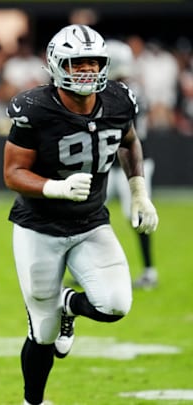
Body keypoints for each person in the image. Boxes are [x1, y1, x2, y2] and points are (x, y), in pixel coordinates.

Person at [3, 24, 159, 405]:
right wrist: (52, 187)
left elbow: (129, 141)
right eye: (77, 63)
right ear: (58, 66)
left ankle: (69, 304)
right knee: (42, 332)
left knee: (116, 305)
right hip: (39, 228)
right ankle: (33, 401)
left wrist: (138, 191)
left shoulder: (120, 99)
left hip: (90, 223)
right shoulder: (35, 109)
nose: (87, 70)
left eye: (93, 62)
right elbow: (12, 173)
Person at [104, 39, 158, 289]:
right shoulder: (119, 87)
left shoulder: (127, 91)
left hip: (134, 164)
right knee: (87, 214)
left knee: (137, 215)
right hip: (110, 164)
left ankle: (149, 270)